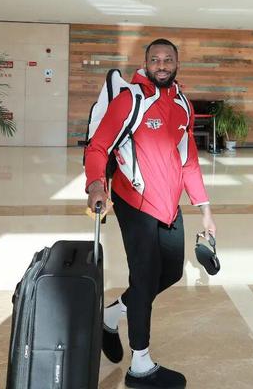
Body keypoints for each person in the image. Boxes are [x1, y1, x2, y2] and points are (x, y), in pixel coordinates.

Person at [85, 38, 216, 388]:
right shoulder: (131, 100)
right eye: (155, 59)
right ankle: (140, 366)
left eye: (167, 59)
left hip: (169, 205)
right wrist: (95, 185)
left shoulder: (183, 104)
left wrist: (204, 208)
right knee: (144, 279)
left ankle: (111, 315)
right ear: (146, 64)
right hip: (135, 201)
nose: (161, 65)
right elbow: (98, 146)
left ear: (176, 64)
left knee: (170, 272)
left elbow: (189, 160)